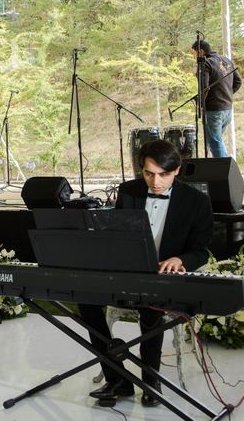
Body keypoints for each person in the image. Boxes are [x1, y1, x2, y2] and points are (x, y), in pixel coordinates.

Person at [79, 139, 213, 407]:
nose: (155, 182)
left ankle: (150, 380)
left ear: (176, 170)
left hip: (165, 275)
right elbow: (117, 236)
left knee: (150, 308)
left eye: (163, 174)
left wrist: (180, 259)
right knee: (86, 300)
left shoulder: (196, 201)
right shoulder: (129, 191)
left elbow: (201, 251)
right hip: (129, 270)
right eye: (149, 173)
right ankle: (117, 376)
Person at [192, 39, 241, 158]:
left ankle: (225, 172)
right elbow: (238, 82)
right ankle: (227, 169)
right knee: (217, 141)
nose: (193, 56)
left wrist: (201, 104)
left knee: (215, 142)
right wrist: (227, 95)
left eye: (194, 53)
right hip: (227, 110)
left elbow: (204, 87)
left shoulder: (205, 64)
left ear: (201, 51)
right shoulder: (226, 60)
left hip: (214, 111)